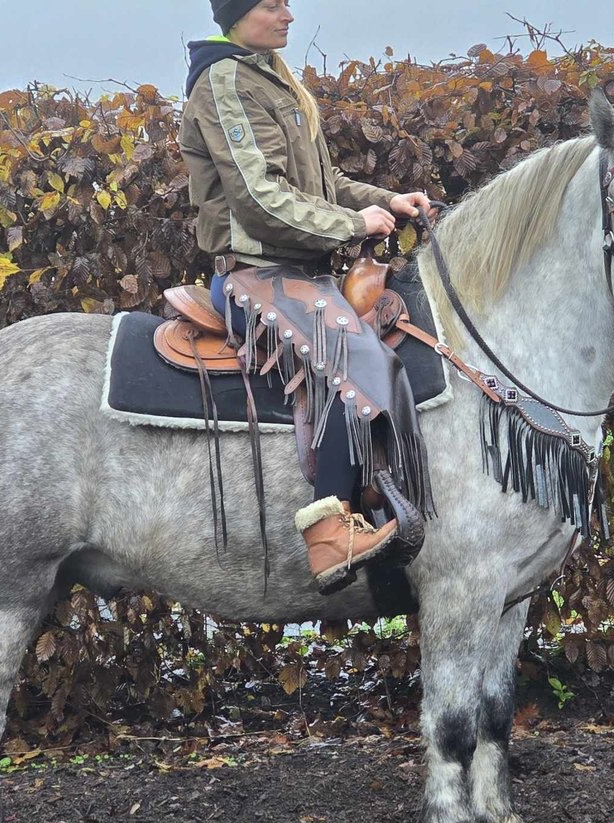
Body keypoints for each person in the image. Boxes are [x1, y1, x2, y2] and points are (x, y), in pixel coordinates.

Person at [179, 0, 434, 589]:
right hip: (255, 274)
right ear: (239, 12)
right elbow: (259, 198)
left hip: (300, 273)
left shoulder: (273, 76)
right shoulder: (225, 81)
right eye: (272, 4)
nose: (289, 14)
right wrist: (353, 226)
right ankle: (328, 536)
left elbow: (326, 186)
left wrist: (385, 200)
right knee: (357, 357)